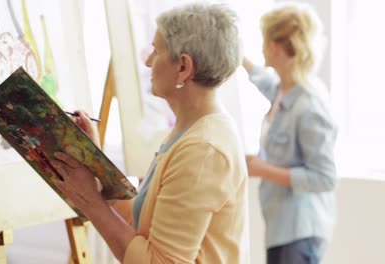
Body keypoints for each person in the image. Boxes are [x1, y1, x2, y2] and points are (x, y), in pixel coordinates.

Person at [50, 3, 248, 264]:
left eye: (156, 50)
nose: (147, 60)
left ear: (183, 67)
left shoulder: (202, 150)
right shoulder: (190, 131)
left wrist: (89, 201)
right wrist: (95, 162)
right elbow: (142, 219)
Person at [242, 2, 338, 264]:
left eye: (264, 39)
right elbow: (263, 79)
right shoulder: (284, 90)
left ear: (275, 45)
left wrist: (263, 169)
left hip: (299, 232)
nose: (261, 47)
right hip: (280, 228)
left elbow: (325, 178)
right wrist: (239, 57)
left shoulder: (309, 106)